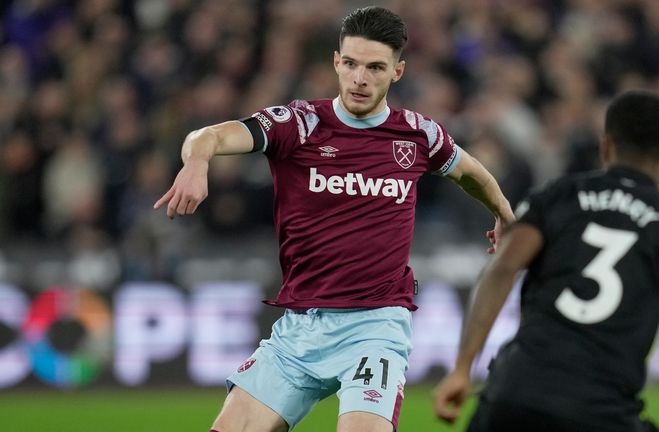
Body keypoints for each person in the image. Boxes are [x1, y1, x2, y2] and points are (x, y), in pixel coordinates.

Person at [154, 6, 514, 432]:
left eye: (375, 67)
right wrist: (197, 163)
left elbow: (471, 172)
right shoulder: (300, 125)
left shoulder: (418, 135)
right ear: (336, 62)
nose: (360, 78)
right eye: (352, 64)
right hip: (300, 327)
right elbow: (208, 135)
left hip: (375, 326)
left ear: (397, 72)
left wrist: (505, 216)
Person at [433, 90, 659, 432]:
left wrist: (462, 368)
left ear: (606, 146)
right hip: (601, 412)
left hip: (513, 396)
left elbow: (501, 267)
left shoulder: (559, 195)